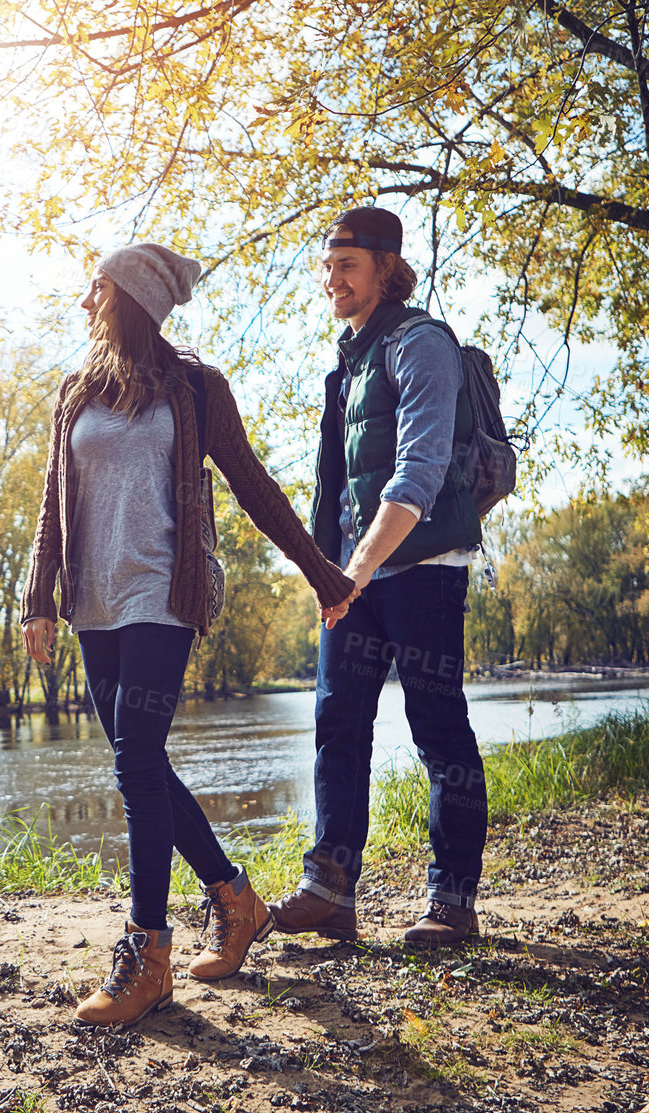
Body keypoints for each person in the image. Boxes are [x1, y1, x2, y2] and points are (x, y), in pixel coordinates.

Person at [20, 243, 357, 1027]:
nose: (84, 303)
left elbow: (254, 487)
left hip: (165, 597)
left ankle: (147, 956)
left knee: (136, 759)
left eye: (95, 289)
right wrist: (40, 599)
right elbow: (50, 507)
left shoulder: (198, 390)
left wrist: (323, 573)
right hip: (94, 605)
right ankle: (237, 901)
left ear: (128, 298)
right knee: (141, 766)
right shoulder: (75, 393)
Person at [266, 206, 490, 948]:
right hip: (354, 578)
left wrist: (353, 572)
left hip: (421, 569)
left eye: (348, 266)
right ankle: (330, 891)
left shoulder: (422, 344)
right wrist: (329, 572)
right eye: (327, 266)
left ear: (387, 269)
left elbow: (418, 473)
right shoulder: (349, 362)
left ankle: (452, 902)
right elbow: (341, 485)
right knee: (337, 726)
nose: (332, 279)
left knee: (437, 730)